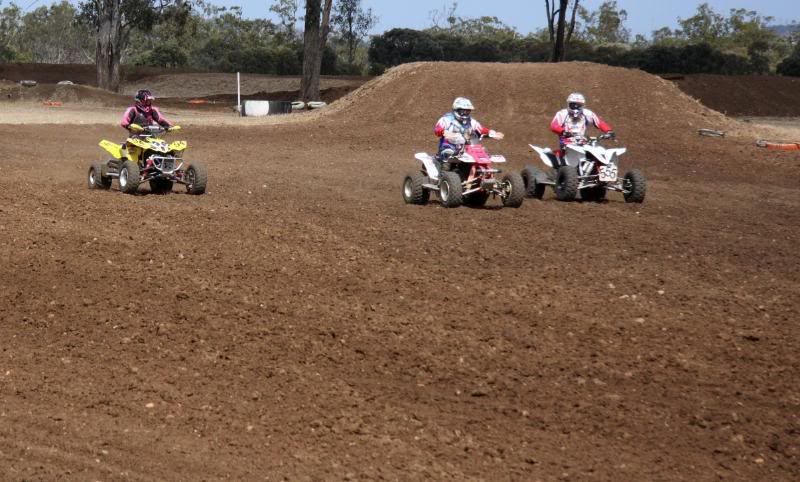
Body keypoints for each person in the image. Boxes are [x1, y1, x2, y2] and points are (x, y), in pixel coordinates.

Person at [434, 97, 504, 160]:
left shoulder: (471, 121)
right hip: (449, 146)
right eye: (463, 111)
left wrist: (493, 133)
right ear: (457, 110)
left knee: (482, 152)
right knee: (448, 153)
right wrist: (444, 132)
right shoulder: (447, 119)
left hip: (467, 147)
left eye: (467, 111)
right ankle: (444, 168)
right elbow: (437, 129)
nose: (465, 113)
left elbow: (481, 129)